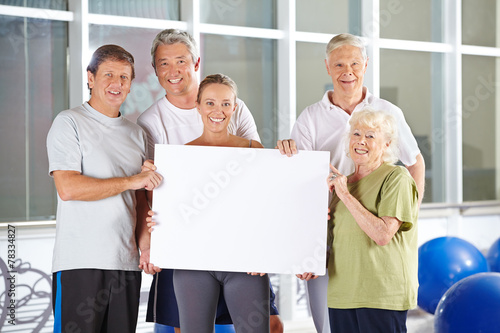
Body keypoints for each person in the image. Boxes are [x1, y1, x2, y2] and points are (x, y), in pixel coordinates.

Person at [136, 29, 283, 332]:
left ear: (196, 62)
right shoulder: (150, 122)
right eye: (164, 63)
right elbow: (149, 191)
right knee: (183, 325)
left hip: (239, 239)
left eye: (181, 61)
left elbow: (261, 179)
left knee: (267, 324)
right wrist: (149, 236)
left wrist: (266, 244)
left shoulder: (235, 109)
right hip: (188, 242)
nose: (173, 71)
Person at [278, 33, 425, 333]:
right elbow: (300, 184)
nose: (348, 71)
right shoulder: (310, 118)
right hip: (331, 228)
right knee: (329, 323)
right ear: (327, 67)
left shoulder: (388, 112)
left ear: (366, 65)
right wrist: (305, 247)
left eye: (355, 63)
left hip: (375, 226)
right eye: (339, 64)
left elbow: (415, 163)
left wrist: (407, 214)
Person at [47, 44, 163, 333]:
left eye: (124, 77)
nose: (117, 84)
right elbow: (68, 188)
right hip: (79, 263)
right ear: (90, 77)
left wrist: (146, 247)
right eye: (108, 75)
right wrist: (132, 180)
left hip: (125, 266)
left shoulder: (137, 133)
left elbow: (139, 202)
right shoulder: (69, 122)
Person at [323, 108, 418, 332]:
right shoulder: (340, 186)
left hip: (381, 295)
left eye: (370, 136)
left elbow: (383, 234)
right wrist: (307, 262)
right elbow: (335, 246)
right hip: (342, 296)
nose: (361, 141)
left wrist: (345, 195)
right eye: (356, 134)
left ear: (386, 144)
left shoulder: (396, 177)